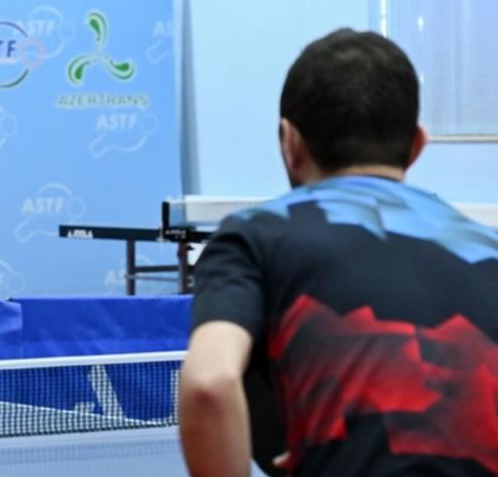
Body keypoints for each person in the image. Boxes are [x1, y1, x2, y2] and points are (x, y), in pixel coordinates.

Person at [178, 29, 498, 476]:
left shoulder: (254, 236)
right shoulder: (488, 248)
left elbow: (209, 384)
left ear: (288, 142)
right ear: (417, 145)